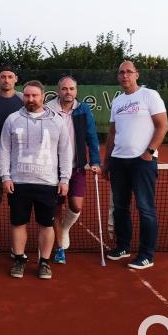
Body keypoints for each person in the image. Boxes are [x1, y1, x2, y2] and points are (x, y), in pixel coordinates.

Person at [0, 80, 72, 280]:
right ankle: (20, 260)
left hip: (47, 183)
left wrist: (64, 179)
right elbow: (4, 149)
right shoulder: (12, 119)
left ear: (43, 96)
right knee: (18, 223)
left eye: (35, 95)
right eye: (27, 95)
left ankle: (44, 262)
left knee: (46, 225)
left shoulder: (57, 121)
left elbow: (65, 151)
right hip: (18, 182)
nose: (30, 99)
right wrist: (5, 176)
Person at [103, 61, 168, 270]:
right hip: (118, 161)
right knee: (120, 208)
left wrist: (149, 153)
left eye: (129, 72)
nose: (125, 75)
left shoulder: (150, 95)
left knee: (145, 209)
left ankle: (146, 255)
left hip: (143, 163)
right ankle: (123, 247)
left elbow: (163, 125)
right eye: (121, 72)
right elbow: (113, 133)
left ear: (137, 75)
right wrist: (107, 162)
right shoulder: (117, 101)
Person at [45, 76, 101, 264]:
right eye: (64, 89)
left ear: (76, 91)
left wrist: (95, 161)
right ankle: (60, 247)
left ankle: (65, 228)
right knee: (56, 208)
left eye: (71, 89)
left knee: (76, 205)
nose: (68, 92)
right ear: (58, 90)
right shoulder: (48, 109)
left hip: (76, 167)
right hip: (53, 168)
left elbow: (91, 136)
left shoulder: (83, 110)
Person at [0, 66, 24, 260]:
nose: (6, 80)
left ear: (15, 79)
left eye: (10, 77)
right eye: (3, 77)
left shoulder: (22, 99)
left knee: (18, 205)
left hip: (18, 162)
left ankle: (16, 246)